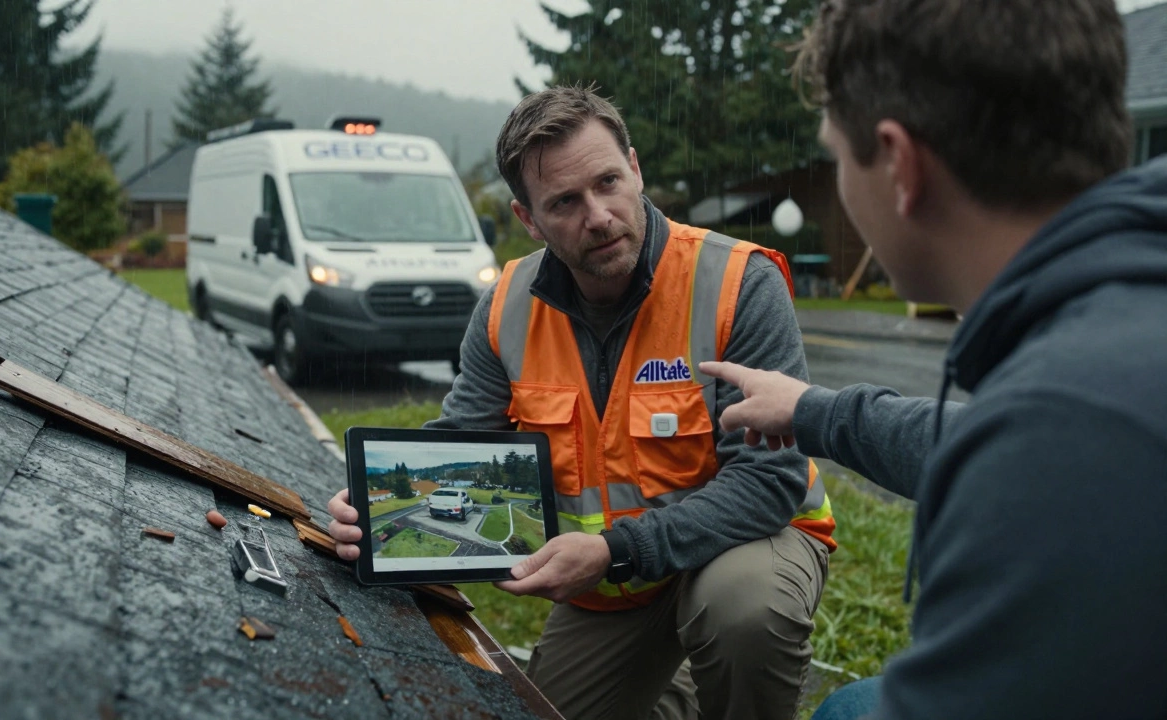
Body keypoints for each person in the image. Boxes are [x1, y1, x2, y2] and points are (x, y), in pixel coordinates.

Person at [696, 1, 1167, 718]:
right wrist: (811, 411)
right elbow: (974, 439)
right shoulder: (1119, 320)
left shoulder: (1071, 437)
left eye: (837, 156)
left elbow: (1029, 454)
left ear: (900, 164)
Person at [327, 85, 835, 719]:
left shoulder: (737, 284)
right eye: (565, 201)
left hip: (745, 541)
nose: (598, 215)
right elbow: (462, 443)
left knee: (743, 612)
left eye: (609, 182)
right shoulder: (507, 308)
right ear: (528, 219)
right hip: (617, 587)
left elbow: (767, 480)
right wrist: (371, 509)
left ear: (635, 168)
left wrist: (617, 551)